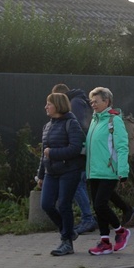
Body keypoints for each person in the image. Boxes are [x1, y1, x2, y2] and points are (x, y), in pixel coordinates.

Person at [85, 87, 131, 255]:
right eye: (91, 101)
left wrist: (123, 171)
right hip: (93, 171)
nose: (93, 104)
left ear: (106, 101)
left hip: (109, 171)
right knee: (97, 208)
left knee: (100, 204)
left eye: (96, 101)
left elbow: (121, 146)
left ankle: (121, 232)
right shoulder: (94, 120)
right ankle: (105, 241)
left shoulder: (114, 120)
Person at [37, 93, 85, 256]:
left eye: (48, 104)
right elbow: (43, 154)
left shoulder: (72, 124)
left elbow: (75, 148)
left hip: (69, 171)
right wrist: (41, 175)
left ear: (58, 105)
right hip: (51, 172)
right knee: (46, 205)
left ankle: (67, 242)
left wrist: (53, 153)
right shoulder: (47, 126)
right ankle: (69, 231)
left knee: (64, 204)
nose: (46, 107)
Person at [51, 84, 97, 235]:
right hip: (83, 149)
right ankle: (87, 218)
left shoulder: (75, 103)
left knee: (78, 184)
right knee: (79, 184)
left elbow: (76, 127)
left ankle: (88, 219)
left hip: (79, 151)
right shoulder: (79, 101)